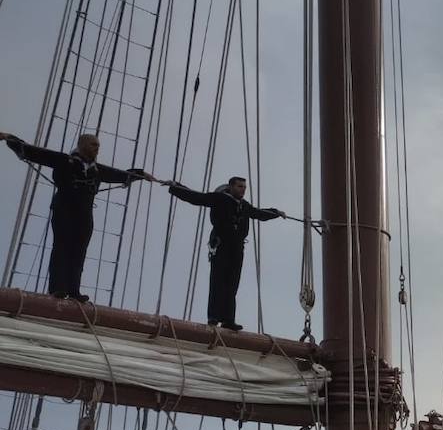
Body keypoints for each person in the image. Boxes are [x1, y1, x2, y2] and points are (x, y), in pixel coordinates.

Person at [0, 131, 149, 300]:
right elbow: (35, 153)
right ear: (82, 145)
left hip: (84, 215)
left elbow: (119, 174)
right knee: (61, 248)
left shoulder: (97, 170)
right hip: (65, 210)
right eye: (94, 145)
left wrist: (140, 174)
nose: (97, 149)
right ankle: (57, 288)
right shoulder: (64, 161)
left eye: (98, 146)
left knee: (79, 252)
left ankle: (73, 290)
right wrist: (9, 138)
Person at [162, 175, 285, 330]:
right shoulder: (219, 199)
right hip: (222, 245)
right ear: (231, 187)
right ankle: (213, 317)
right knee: (218, 281)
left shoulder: (245, 205)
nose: (243, 190)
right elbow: (196, 198)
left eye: (244, 187)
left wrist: (276, 212)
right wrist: (175, 187)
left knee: (232, 285)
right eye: (240, 186)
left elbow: (259, 213)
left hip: (237, 248)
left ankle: (228, 320)